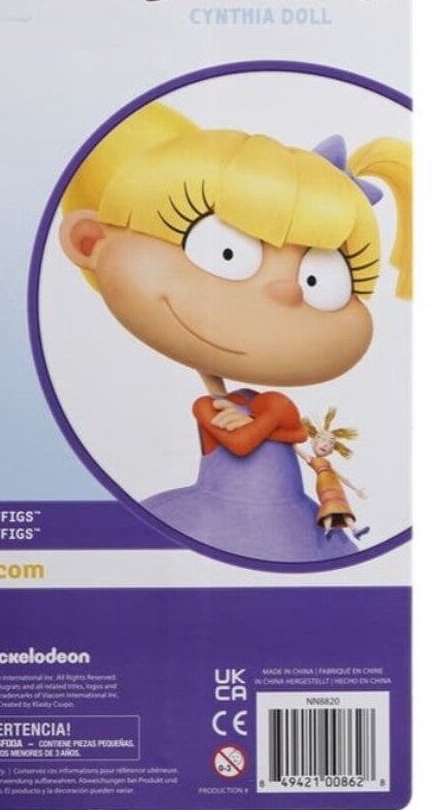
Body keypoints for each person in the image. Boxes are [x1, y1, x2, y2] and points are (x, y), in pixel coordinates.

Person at [59, 102, 410, 561]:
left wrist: (259, 423)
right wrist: (252, 422)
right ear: (88, 241)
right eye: (227, 252)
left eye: (323, 275)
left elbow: (276, 433)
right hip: (217, 519)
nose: (287, 291)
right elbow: (239, 441)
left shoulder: (269, 404)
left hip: (286, 521)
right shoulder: (214, 405)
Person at [296, 408, 370, 541]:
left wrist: (355, 489)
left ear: (331, 450)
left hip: (336, 486)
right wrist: (289, 441)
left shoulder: (328, 464)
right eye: (323, 439)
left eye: (330, 443)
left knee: (343, 507)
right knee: (329, 505)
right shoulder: (313, 460)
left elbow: (341, 477)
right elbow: (299, 451)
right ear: (313, 441)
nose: (326, 445)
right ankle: (328, 529)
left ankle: (355, 530)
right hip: (324, 485)